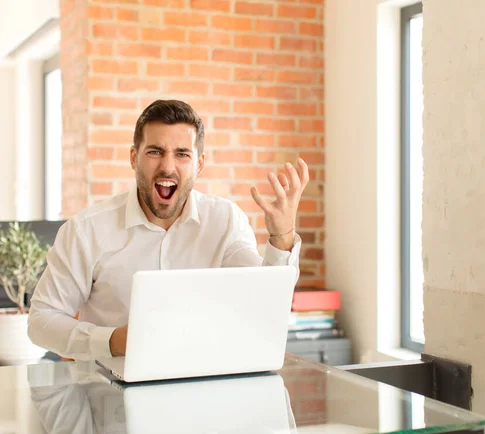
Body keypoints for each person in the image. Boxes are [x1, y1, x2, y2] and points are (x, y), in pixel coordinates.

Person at [27, 99, 309, 361]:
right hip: (108, 396)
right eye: (155, 152)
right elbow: (42, 319)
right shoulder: (86, 231)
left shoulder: (225, 221)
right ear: (134, 158)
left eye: (182, 154)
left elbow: (263, 306)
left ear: (199, 164)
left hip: (204, 386)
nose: (167, 166)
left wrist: (282, 236)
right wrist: (113, 341)